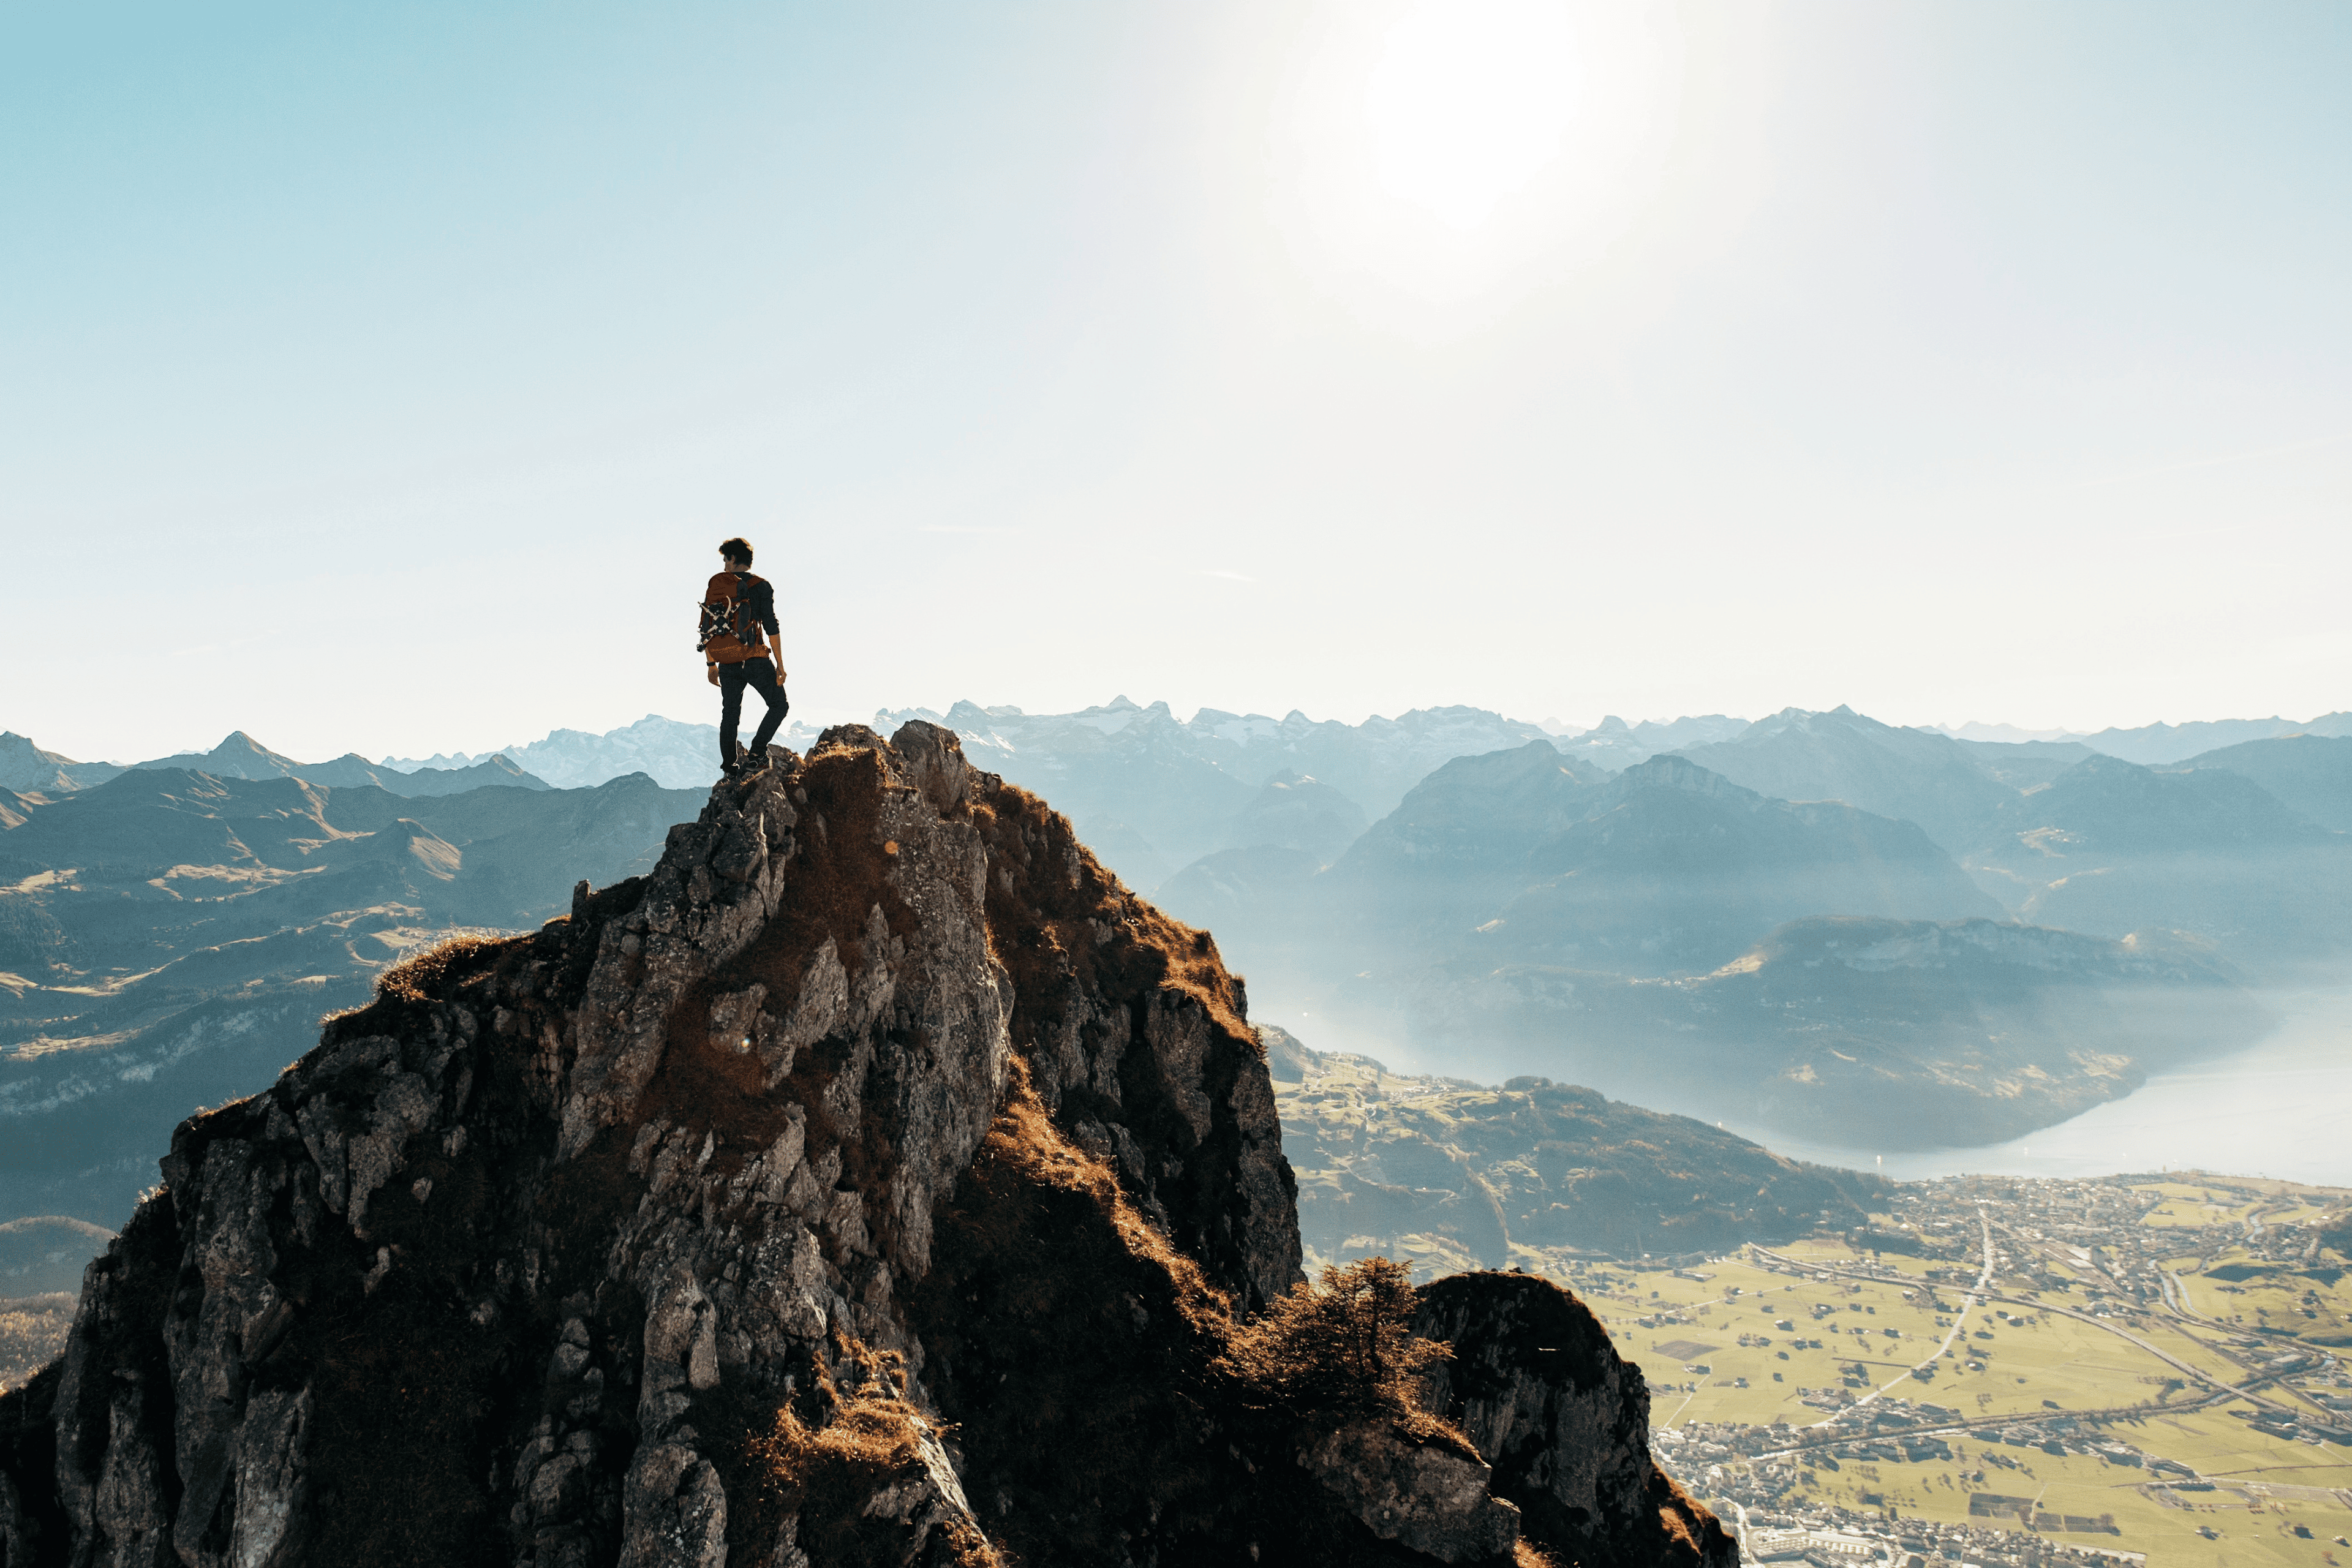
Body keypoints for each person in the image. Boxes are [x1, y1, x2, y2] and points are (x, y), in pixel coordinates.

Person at [699, 537, 789, 774]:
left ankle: (730, 768)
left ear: (733, 558)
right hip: (755, 658)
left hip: (727, 660)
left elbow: (709, 626)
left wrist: (711, 664)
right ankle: (756, 754)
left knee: (730, 714)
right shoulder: (761, 586)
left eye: (726, 559)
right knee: (779, 705)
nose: (724, 565)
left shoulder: (718, 589)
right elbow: (771, 625)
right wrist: (780, 664)